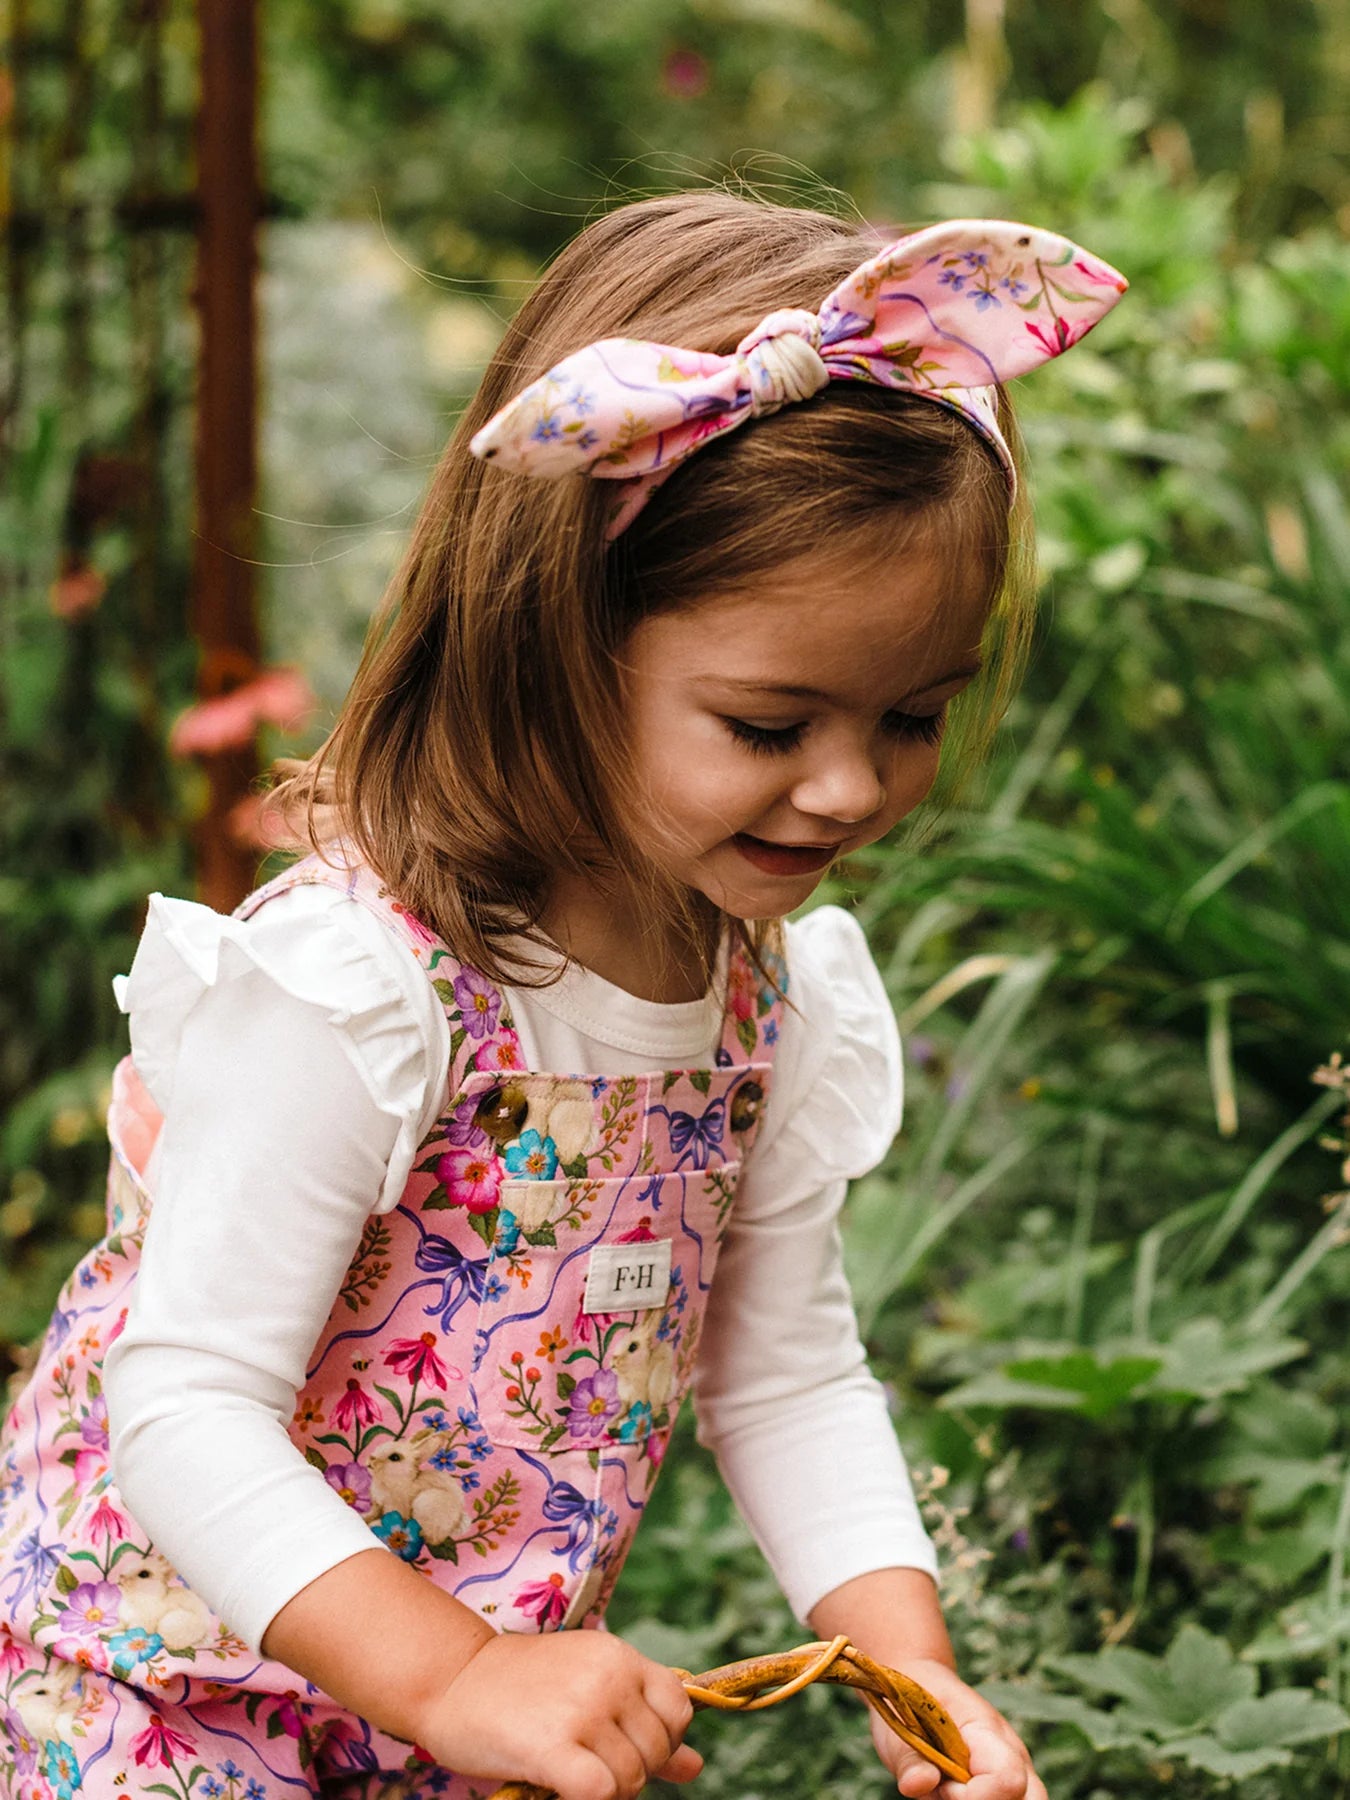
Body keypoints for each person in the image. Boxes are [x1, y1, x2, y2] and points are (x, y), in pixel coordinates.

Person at [0, 191, 1125, 1800]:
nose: (845, 787)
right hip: (150, 1704)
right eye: (765, 723)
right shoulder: (361, 988)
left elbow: (787, 1370)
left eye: (911, 716)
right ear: (560, 638)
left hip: (468, 1725)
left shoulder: (769, 1007)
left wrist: (908, 1667)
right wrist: (451, 1671)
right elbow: (181, 1406)